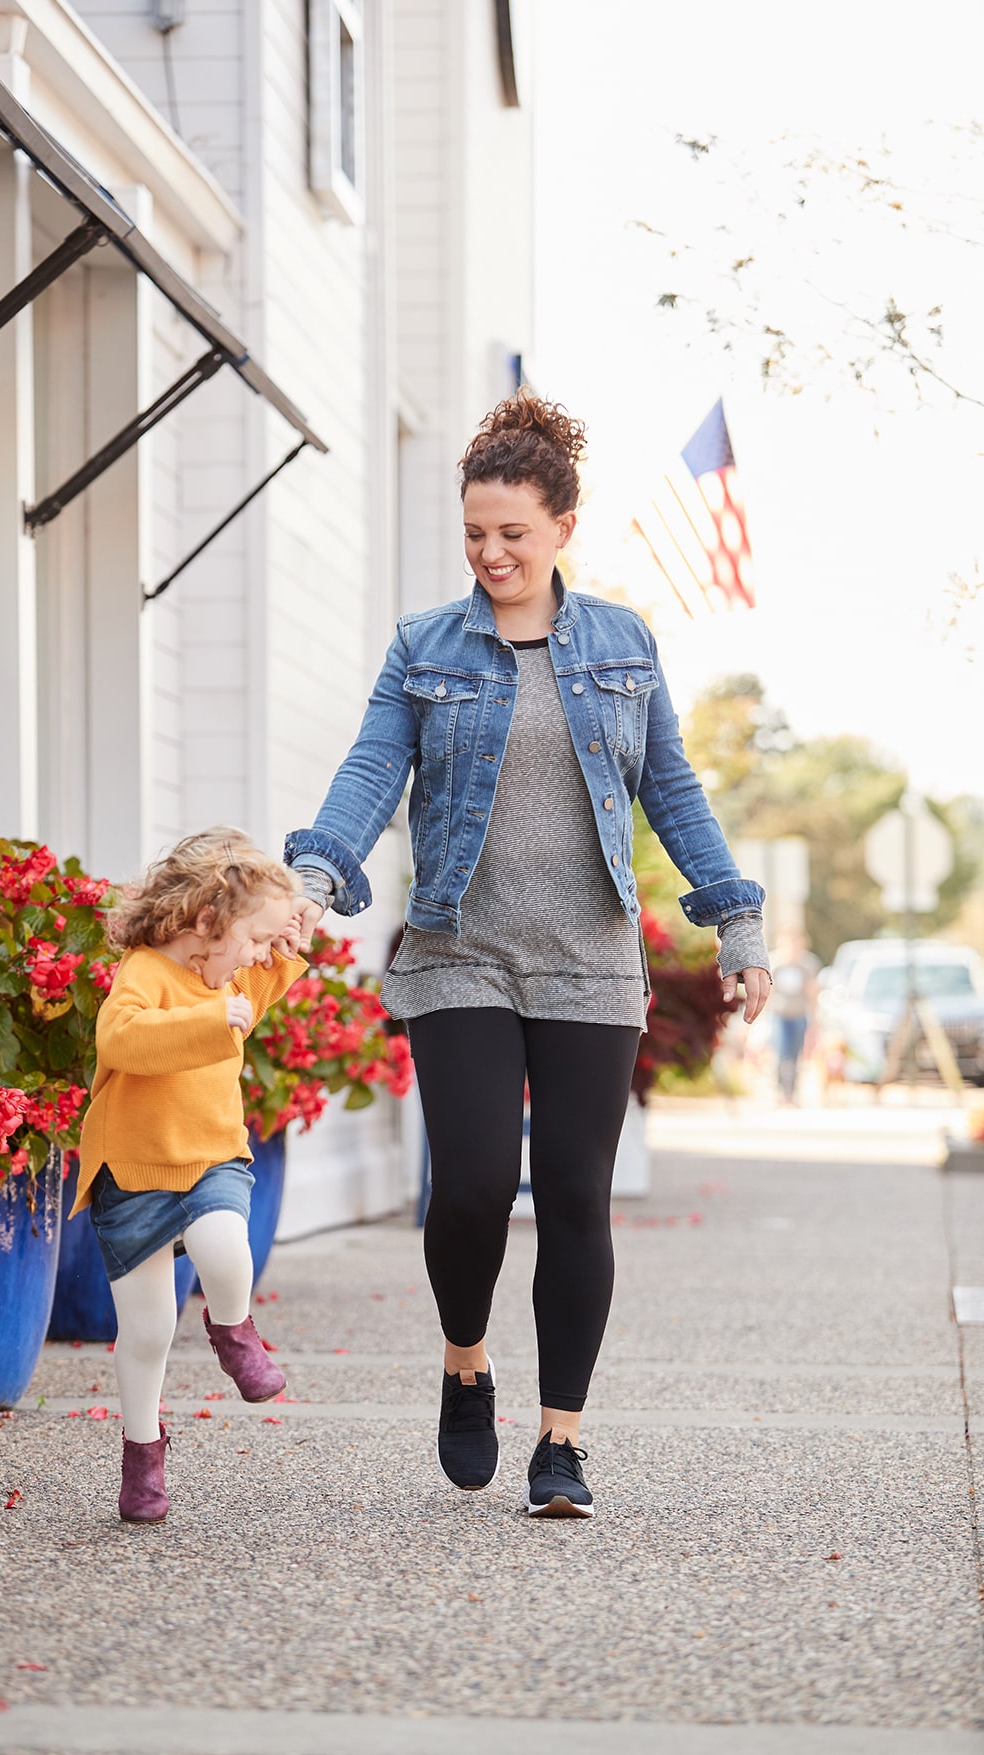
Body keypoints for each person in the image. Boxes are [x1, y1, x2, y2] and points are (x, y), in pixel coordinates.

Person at [285, 393, 772, 1518]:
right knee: (464, 1187)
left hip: (590, 959)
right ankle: (466, 1361)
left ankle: (562, 1442)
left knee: (573, 1196)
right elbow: (370, 775)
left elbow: (672, 791)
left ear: (561, 527)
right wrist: (314, 880)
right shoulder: (425, 646)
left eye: (512, 533)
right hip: (462, 947)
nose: (491, 553)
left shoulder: (621, 642)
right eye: (474, 534)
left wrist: (734, 921)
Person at [72, 830, 307, 1524]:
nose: (261, 957)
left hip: (211, 1158)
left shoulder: (233, 976)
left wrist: (291, 924)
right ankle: (142, 1455)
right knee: (145, 1332)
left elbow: (275, 963)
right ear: (208, 921)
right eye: (255, 938)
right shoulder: (146, 972)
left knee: (226, 1248)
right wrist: (211, 1019)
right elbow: (120, 1040)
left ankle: (234, 1332)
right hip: (134, 1172)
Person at [769, 926, 820, 1104]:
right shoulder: (774, 963)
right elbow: (769, 991)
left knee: (796, 1055)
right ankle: (780, 1092)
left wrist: (814, 1019)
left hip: (799, 1015)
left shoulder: (807, 964)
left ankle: (792, 1093)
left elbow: (812, 993)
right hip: (780, 1015)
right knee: (781, 1054)